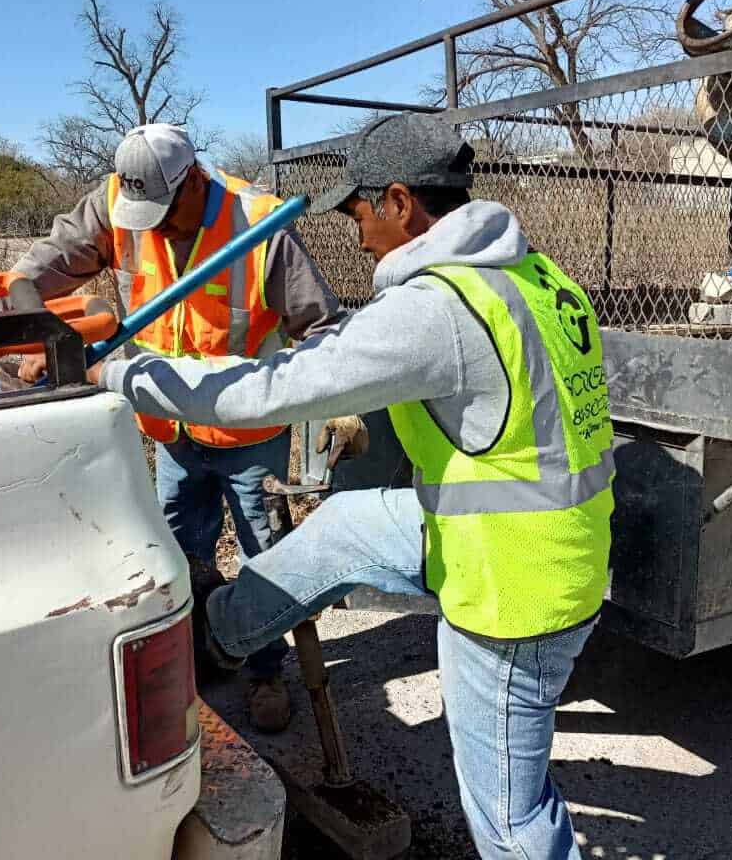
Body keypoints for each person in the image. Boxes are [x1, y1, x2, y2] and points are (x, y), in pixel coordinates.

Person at [93, 113, 615, 860]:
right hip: (526, 533)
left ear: (400, 201)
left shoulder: (437, 304)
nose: (353, 230)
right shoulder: (535, 276)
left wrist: (120, 373)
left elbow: (269, 389)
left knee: (510, 820)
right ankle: (224, 635)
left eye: (358, 210)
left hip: (514, 588)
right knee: (344, 528)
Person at [12, 123, 342, 733]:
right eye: (143, 216)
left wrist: (327, 401)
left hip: (249, 435)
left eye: (164, 212)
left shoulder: (259, 223)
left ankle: (265, 670)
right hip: (169, 431)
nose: (153, 227)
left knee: (263, 559)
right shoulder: (118, 205)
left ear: (194, 178)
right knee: (174, 551)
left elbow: (322, 329)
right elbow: (39, 270)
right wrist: (32, 317)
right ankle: (196, 658)